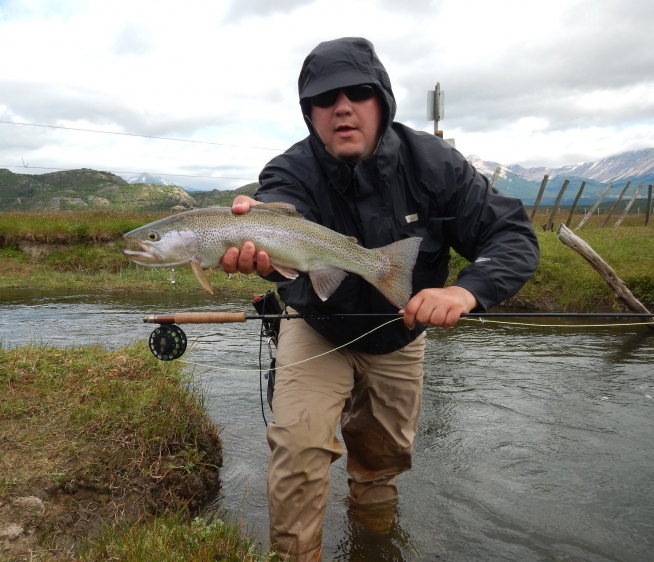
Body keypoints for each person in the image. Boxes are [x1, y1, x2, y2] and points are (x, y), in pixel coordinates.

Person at [221, 37, 539, 561]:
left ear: (383, 102)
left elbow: (512, 236)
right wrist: (260, 228)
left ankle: (373, 546)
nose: (342, 107)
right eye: (324, 99)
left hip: (400, 331)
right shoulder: (292, 170)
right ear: (310, 114)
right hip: (316, 323)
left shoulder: (435, 163)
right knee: (298, 452)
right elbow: (282, 205)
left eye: (358, 93)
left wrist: (466, 290)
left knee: (381, 464)